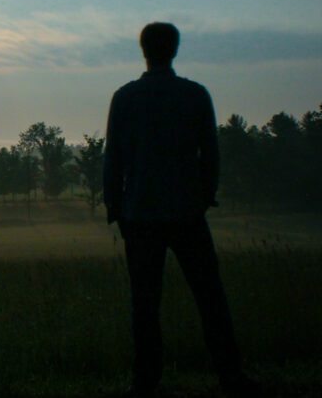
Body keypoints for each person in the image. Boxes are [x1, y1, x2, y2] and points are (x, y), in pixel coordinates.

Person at [103, 22, 257, 398]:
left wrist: (114, 207)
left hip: (140, 215)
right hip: (188, 212)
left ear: (143, 50)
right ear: (175, 49)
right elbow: (211, 153)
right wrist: (205, 196)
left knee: (145, 303)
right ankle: (230, 376)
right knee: (210, 297)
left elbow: (114, 159)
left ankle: (145, 381)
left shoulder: (125, 98)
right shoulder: (195, 95)